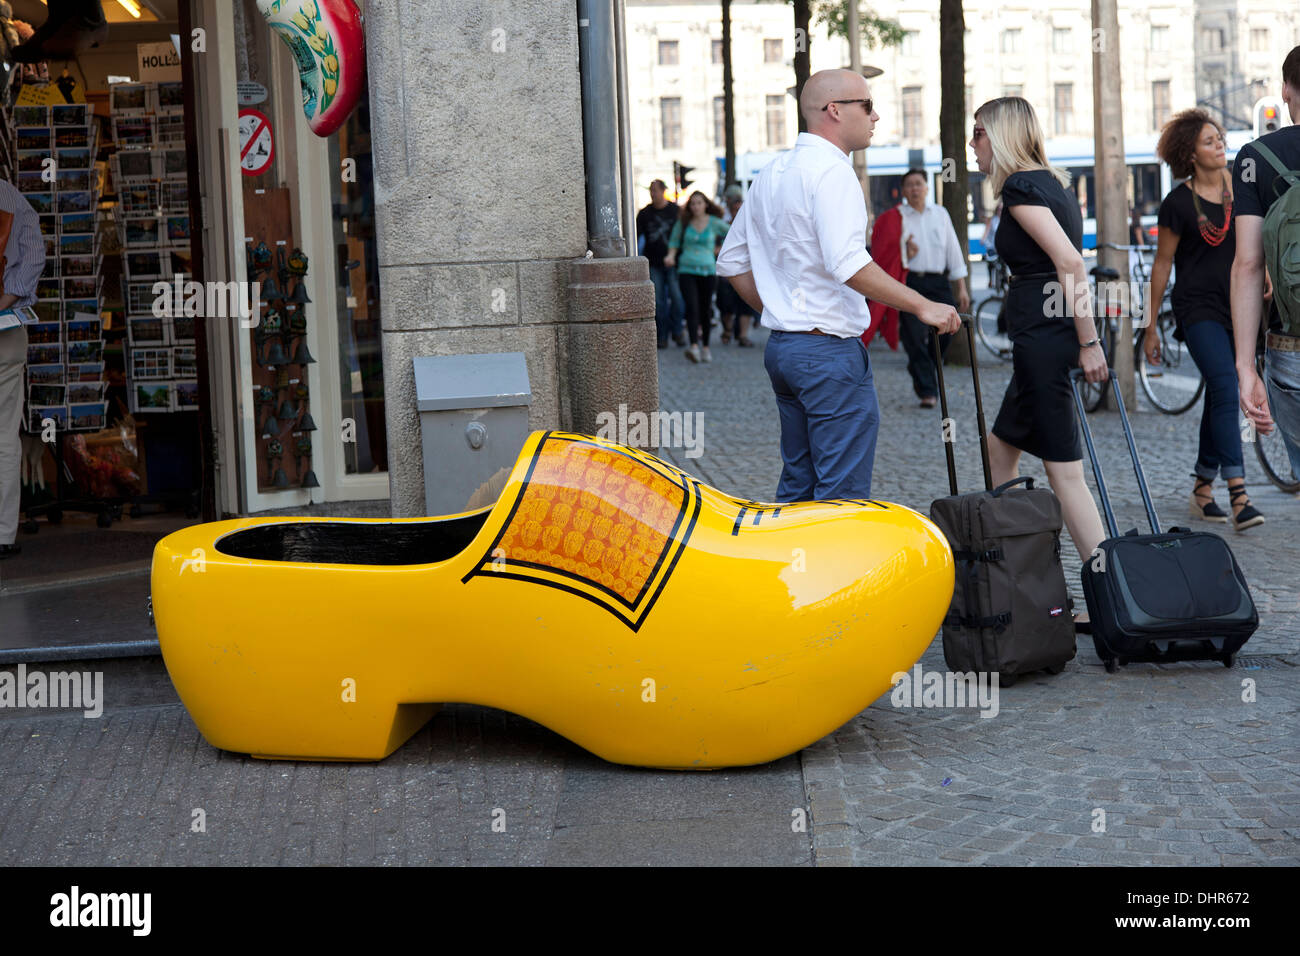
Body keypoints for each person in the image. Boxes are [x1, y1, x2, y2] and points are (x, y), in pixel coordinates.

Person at [717, 68, 960, 501]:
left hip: (787, 349)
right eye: (867, 105)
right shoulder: (832, 172)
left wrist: (784, 310)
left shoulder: (772, 172)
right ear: (834, 110)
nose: (876, 115)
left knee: (799, 485)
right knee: (840, 497)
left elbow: (732, 261)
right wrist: (922, 305)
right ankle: (831, 570)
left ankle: (793, 568)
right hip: (827, 352)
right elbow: (848, 263)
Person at [969, 96, 1107, 608]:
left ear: (1001, 136)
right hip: (1041, 338)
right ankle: (1012, 572)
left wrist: (1089, 341)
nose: (972, 143)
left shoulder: (1021, 186)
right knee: (999, 448)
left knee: (1064, 471)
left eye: (979, 132)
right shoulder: (1050, 182)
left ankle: (1108, 595)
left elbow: (1071, 262)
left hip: (1046, 342)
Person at [1147, 109, 1263, 530]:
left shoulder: (1243, 187)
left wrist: (1266, 274)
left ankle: (1201, 486)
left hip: (1240, 306)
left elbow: (1259, 239)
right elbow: (1162, 266)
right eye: (1209, 141)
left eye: (1220, 138)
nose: (1220, 145)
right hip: (1196, 309)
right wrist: (1148, 328)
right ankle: (1239, 495)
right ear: (1189, 154)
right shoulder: (1177, 203)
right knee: (1227, 383)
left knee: (1219, 391)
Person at [1233, 45, 1300, 482]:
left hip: (1292, 350)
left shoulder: (1255, 158)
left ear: (1287, 90)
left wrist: (1245, 366)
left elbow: (1248, 264)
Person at [897, 168, 972, 407]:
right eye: (909, 185)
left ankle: (924, 368)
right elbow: (888, 256)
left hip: (939, 282)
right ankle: (928, 390)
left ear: (927, 187)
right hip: (910, 282)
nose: (915, 189)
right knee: (913, 337)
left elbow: (953, 250)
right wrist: (905, 254)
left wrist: (961, 287)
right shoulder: (897, 217)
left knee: (946, 331)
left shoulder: (940, 214)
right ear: (904, 191)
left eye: (919, 183)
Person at [0, 179, 46, 560]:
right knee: (3, 434)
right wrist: (4, 299)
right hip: (6, 328)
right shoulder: (12, 197)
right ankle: (2, 532)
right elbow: (33, 257)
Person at [664, 191, 729, 363]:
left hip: (708, 270)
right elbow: (674, 242)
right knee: (692, 308)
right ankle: (694, 346)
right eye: (693, 204)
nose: (696, 206)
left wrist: (721, 249)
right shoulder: (684, 223)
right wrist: (670, 256)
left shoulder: (714, 223)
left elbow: (732, 235)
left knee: (705, 309)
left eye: (699, 203)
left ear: (706, 204)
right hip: (687, 269)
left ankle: (705, 347)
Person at [636, 179, 686, 349]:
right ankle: (662, 335)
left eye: (655, 190)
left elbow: (683, 234)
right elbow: (636, 236)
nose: (653, 194)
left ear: (663, 191)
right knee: (659, 301)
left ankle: (678, 330)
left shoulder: (675, 211)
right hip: (654, 261)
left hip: (674, 262)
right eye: (651, 190)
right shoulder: (644, 214)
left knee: (677, 298)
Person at [716, 184, 759, 346]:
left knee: (745, 304)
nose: (737, 211)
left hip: (748, 268)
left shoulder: (751, 223)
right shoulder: (722, 221)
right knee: (725, 303)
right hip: (727, 271)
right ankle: (727, 329)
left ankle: (742, 334)